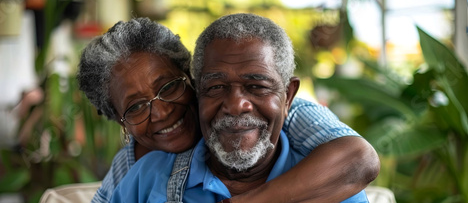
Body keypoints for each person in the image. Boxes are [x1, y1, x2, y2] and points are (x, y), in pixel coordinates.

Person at [78, 17, 379, 203]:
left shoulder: (323, 168)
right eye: (136, 106)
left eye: (168, 88)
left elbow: (360, 158)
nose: (160, 113)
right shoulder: (141, 171)